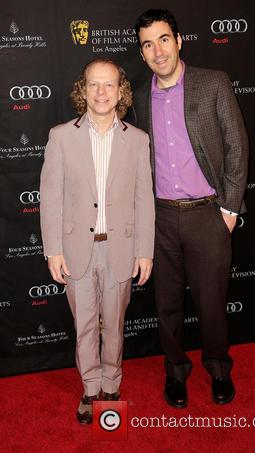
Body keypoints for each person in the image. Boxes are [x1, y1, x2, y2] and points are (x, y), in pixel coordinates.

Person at [133, 9, 248, 408]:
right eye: (148, 43)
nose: (157, 50)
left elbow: (237, 146)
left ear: (179, 40)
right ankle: (175, 372)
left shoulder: (212, 83)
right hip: (160, 216)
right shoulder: (138, 95)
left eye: (164, 39)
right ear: (142, 52)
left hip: (207, 214)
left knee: (212, 302)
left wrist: (230, 210)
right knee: (166, 304)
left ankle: (218, 369)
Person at [40, 57, 155, 424]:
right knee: (85, 325)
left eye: (109, 84)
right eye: (94, 84)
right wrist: (53, 249)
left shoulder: (137, 140)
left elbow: (144, 200)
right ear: (83, 89)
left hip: (120, 248)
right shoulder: (61, 136)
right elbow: (51, 197)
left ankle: (112, 383)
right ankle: (90, 388)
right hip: (76, 251)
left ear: (121, 90)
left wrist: (145, 252)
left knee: (115, 323)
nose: (102, 92)